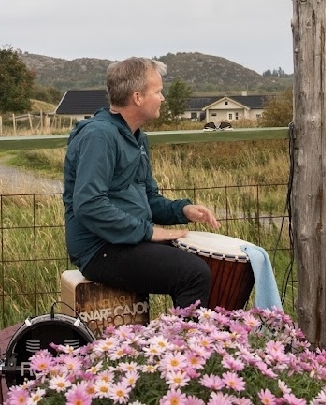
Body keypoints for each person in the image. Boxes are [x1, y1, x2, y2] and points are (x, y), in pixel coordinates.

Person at [63, 57, 221, 309]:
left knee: (205, 262)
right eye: (158, 91)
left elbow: (149, 198)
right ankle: (186, 345)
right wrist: (148, 232)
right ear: (138, 97)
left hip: (126, 241)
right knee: (193, 273)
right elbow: (89, 204)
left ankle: (193, 339)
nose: (163, 98)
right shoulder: (99, 136)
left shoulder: (137, 138)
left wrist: (182, 210)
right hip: (100, 249)